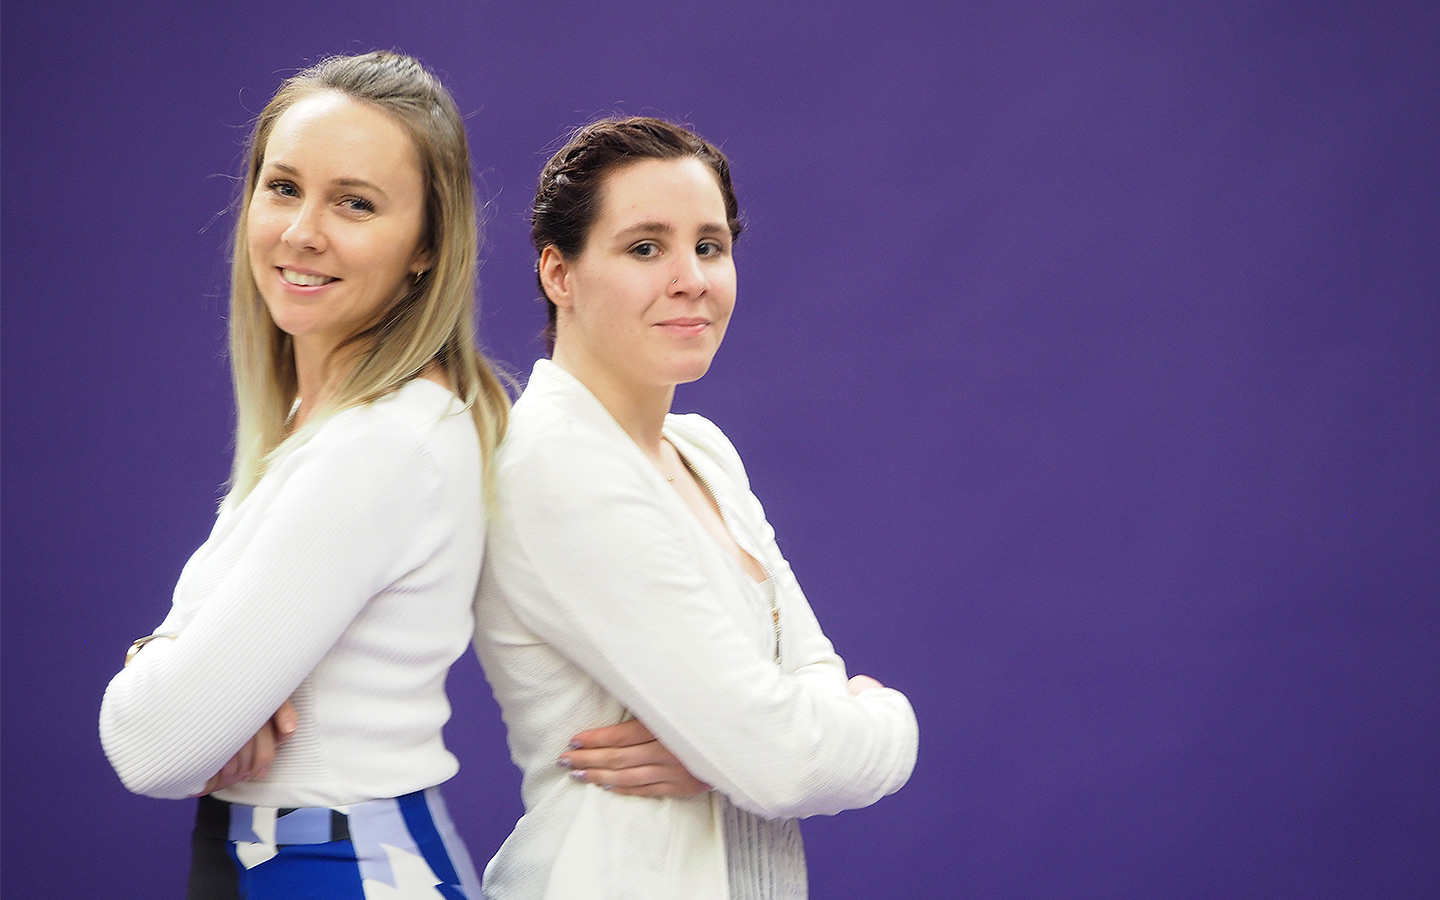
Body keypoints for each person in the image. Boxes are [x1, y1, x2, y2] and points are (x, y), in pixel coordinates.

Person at [98, 51, 510, 899]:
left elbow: (150, 744)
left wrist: (166, 665)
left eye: (354, 203)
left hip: (336, 869)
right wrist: (182, 670)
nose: (302, 231)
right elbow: (180, 727)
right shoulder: (334, 425)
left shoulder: (381, 445)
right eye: (284, 187)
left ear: (429, 246)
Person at [474, 117, 920, 900]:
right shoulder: (555, 461)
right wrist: (889, 723)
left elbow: (799, 688)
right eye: (645, 248)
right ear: (559, 274)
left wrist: (733, 745)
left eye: (709, 246)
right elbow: (779, 762)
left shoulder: (703, 451)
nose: (692, 279)